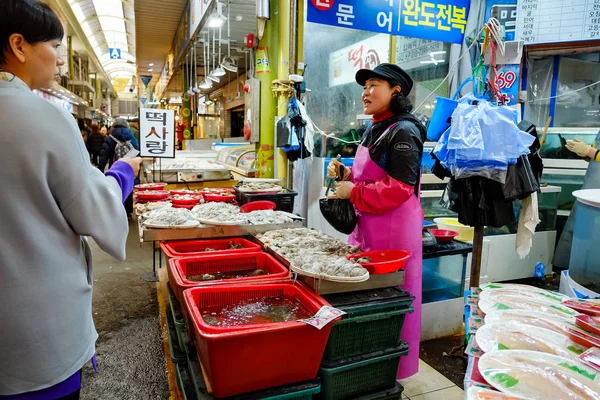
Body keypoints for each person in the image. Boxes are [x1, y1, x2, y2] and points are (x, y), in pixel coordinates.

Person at [0, 1, 142, 398]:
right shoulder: (44, 117)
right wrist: (123, 173)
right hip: (35, 329)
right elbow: (93, 210)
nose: (61, 60)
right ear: (19, 45)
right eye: (55, 46)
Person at [327, 64, 427, 379]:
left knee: (393, 297)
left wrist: (353, 192)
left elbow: (400, 188)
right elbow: (374, 173)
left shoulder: (404, 130)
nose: (365, 92)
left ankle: (392, 369)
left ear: (396, 90)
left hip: (395, 232)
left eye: (373, 85)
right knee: (367, 296)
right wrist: (346, 174)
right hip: (369, 224)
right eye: (365, 86)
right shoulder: (378, 126)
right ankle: (367, 361)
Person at [554, 133, 600, 270]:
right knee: (580, 233)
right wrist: (585, 154)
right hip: (589, 191)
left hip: (597, 198)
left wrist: (589, 151)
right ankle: (569, 274)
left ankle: (588, 277)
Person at [98, 118, 140, 218]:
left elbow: (104, 155)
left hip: (116, 168)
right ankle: (128, 211)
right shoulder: (132, 137)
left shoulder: (110, 138)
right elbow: (137, 150)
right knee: (129, 186)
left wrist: (100, 169)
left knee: (116, 187)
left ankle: (118, 211)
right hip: (130, 167)